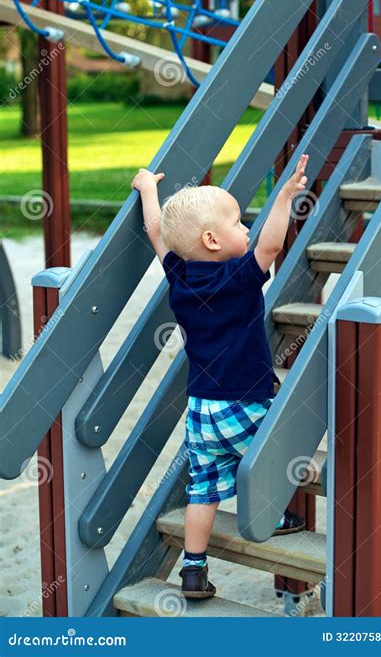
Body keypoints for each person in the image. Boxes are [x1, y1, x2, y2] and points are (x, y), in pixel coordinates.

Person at [131, 153, 310, 599]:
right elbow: (269, 246)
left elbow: (157, 231)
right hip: (244, 401)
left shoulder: (180, 275)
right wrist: (284, 198)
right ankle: (274, 515)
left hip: (201, 409)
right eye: (236, 223)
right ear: (212, 240)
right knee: (274, 452)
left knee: (203, 490)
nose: (246, 228)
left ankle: (192, 572)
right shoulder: (239, 279)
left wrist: (147, 188)